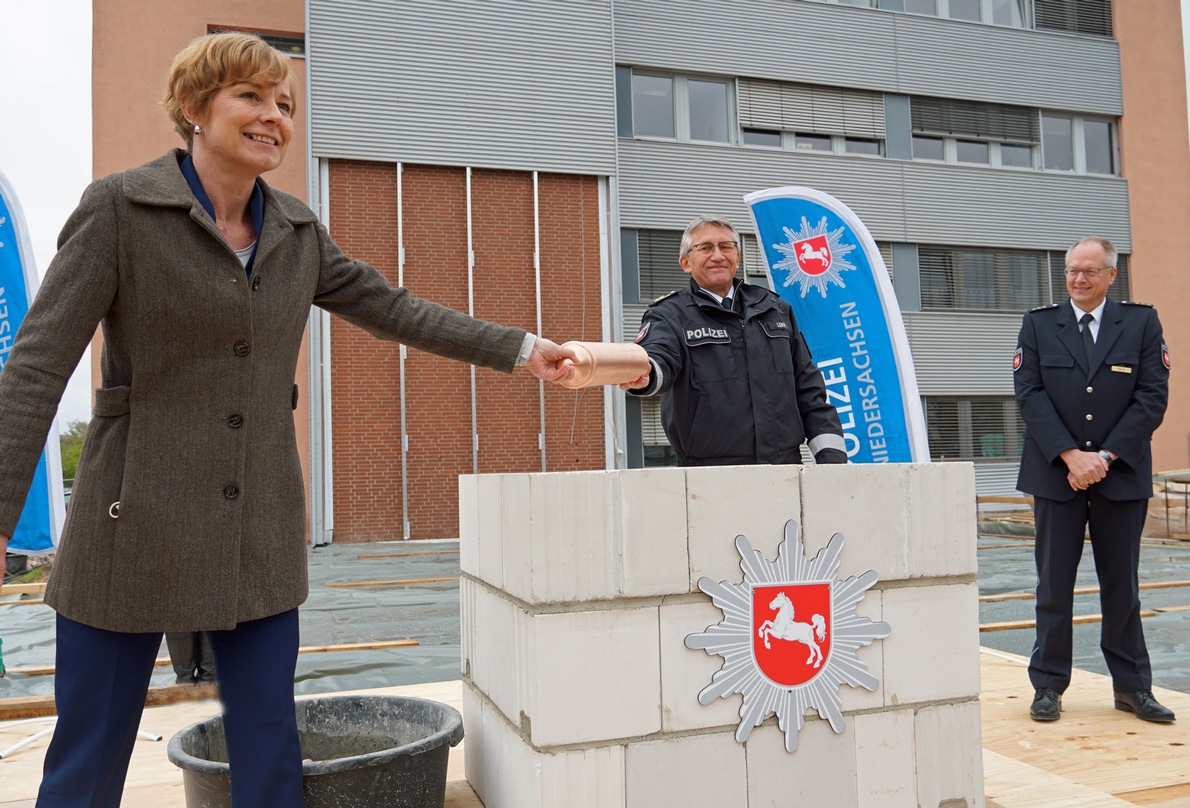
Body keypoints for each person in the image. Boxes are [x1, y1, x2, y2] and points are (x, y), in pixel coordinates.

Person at [0, 32, 575, 807]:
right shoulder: (121, 209)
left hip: (256, 530)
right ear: (194, 109)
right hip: (127, 528)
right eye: (250, 97)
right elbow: (37, 366)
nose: (273, 115)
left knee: (268, 743)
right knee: (89, 754)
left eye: (284, 104)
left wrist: (524, 350)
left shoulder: (297, 232)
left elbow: (396, 309)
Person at [1013, 236, 1173, 724]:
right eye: (1072, 272)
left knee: (1122, 586)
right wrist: (1070, 456)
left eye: (1089, 271)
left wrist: (1102, 457)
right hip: (1054, 474)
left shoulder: (1141, 322)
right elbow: (1029, 394)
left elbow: (1152, 397)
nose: (1078, 280)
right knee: (1053, 586)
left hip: (1119, 474)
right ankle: (1047, 687)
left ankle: (1132, 689)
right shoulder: (1040, 324)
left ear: (1110, 274)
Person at [623, 215, 847, 466]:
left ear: (737, 258)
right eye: (705, 248)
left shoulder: (776, 310)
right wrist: (646, 373)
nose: (718, 255)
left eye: (726, 246)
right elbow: (657, 357)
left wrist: (831, 458)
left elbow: (809, 391)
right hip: (708, 475)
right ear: (685, 262)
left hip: (785, 468)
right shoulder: (669, 314)